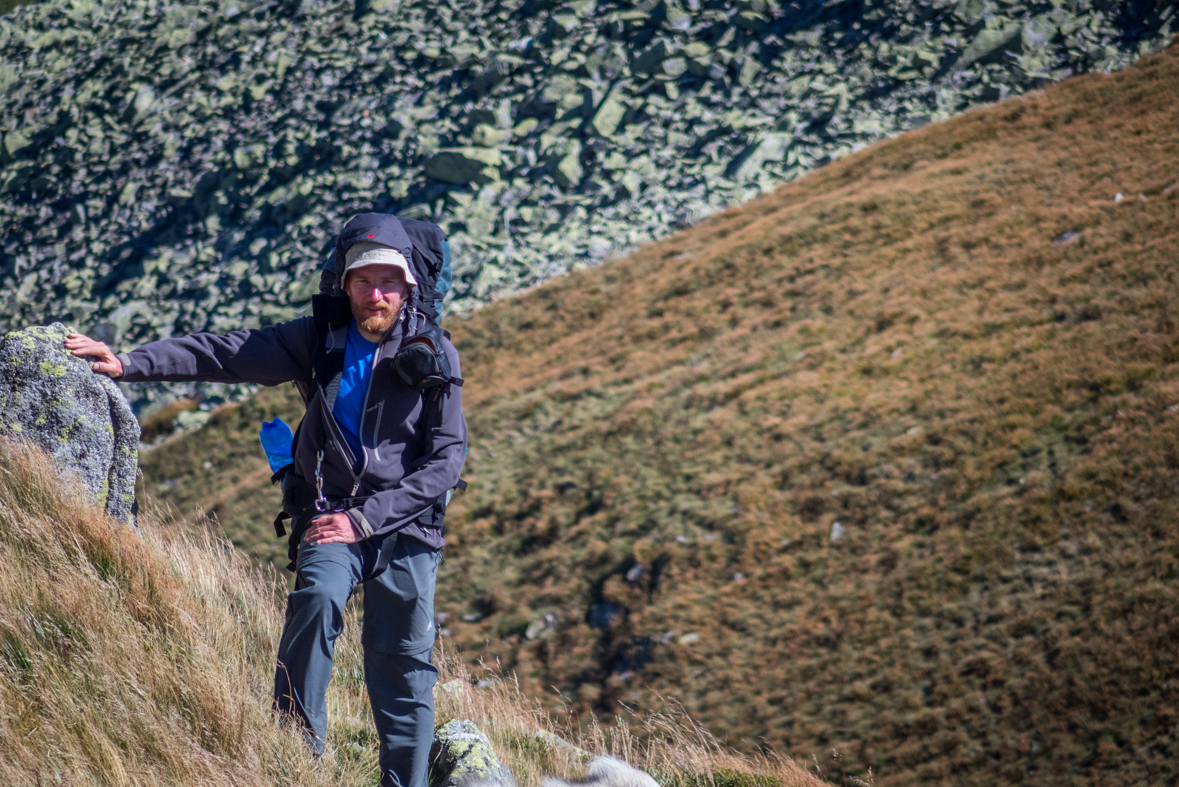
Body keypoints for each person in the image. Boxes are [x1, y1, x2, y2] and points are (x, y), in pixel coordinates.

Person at [65, 213, 467, 787]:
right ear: (344, 284)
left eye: (388, 283)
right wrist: (131, 363)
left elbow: (448, 461)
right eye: (362, 281)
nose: (375, 294)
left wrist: (366, 520)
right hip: (329, 514)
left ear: (409, 287)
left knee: (402, 664)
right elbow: (228, 353)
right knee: (314, 605)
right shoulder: (317, 340)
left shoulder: (435, 353)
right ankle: (295, 764)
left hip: (405, 529)